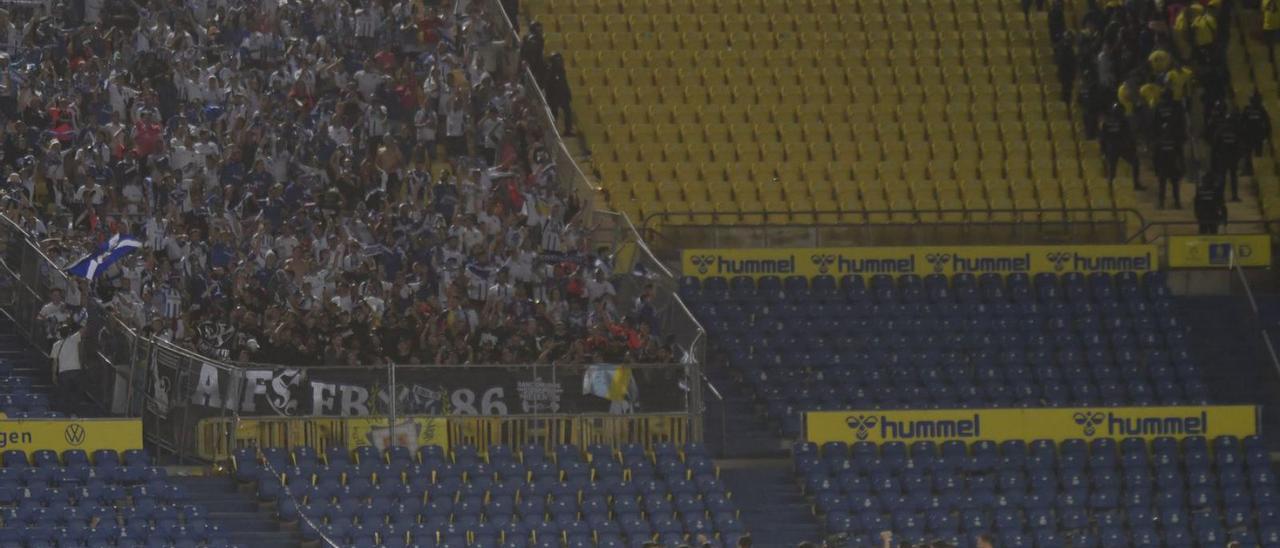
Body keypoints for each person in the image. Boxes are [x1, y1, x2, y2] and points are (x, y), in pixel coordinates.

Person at [1100, 104, 1144, 190]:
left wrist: (1103, 151)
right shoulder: (1123, 121)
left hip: (1114, 148)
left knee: (1112, 170)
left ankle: (1111, 189)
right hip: (1121, 148)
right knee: (1134, 163)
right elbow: (1129, 136)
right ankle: (1135, 184)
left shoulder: (1106, 123)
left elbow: (1102, 139)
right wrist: (1133, 147)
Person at [1210, 109, 1244, 201]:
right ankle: (1233, 196)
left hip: (1224, 157)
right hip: (1229, 158)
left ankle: (1223, 196)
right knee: (1231, 178)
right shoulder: (1236, 130)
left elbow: (1215, 145)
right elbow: (1240, 145)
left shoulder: (1221, 130)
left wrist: (1214, 157)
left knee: (1223, 177)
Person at [50, 322, 84, 409]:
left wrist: (54, 375)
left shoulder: (56, 345)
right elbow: (84, 330)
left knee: (65, 394)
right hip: (75, 370)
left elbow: (55, 362)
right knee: (76, 393)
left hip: (63, 372)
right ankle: (75, 412)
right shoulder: (74, 338)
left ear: (60, 333)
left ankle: (67, 413)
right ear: (69, 332)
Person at [1152, 123, 1184, 209]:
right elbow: (1180, 156)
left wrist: (1156, 169)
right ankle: (1173, 203)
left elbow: (1155, 157)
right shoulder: (1174, 141)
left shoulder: (1160, 141)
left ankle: (1167, 203)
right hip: (1169, 166)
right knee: (1171, 186)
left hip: (1168, 166)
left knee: (1167, 186)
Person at [1242, 91, 1272, 176]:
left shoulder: (1261, 110)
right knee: (1248, 154)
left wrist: (1266, 135)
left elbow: (1267, 124)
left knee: (1258, 155)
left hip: (1257, 136)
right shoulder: (1247, 110)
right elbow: (1241, 122)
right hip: (1249, 135)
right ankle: (1249, 171)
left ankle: (1258, 172)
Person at [545, 52, 574, 136]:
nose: (560, 62)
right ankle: (553, 132)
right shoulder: (550, 72)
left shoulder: (562, 71)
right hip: (554, 97)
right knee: (554, 114)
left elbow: (564, 83)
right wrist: (548, 98)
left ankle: (568, 130)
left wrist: (568, 93)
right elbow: (548, 86)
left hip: (563, 96)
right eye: (557, 60)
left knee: (568, 112)